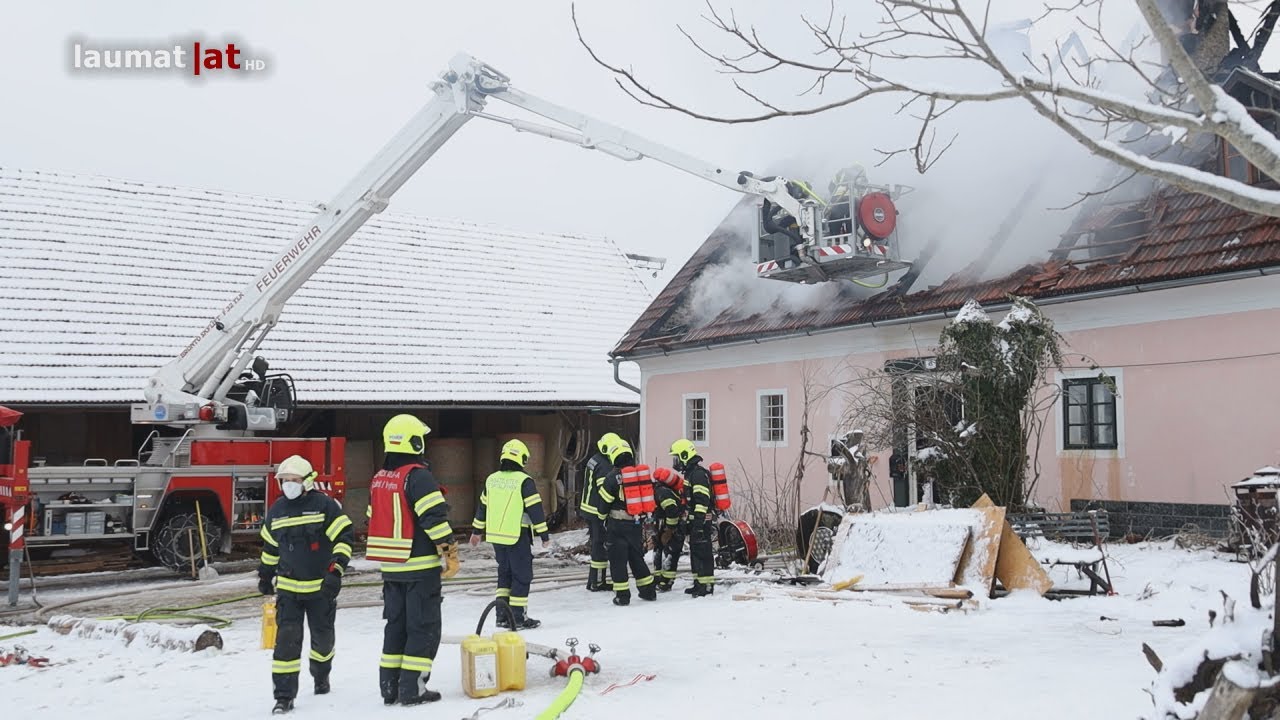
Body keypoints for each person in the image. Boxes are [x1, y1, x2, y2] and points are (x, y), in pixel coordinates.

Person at [365, 414, 459, 706]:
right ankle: (413, 689)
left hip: (391, 569)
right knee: (424, 628)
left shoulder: (380, 478)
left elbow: (372, 518)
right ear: (414, 441)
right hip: (419, 569)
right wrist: (449, 550)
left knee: (396, 627)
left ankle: (389, 687)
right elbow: (433, 519)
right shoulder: (418, 476)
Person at [257, 454, 354, 715]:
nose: (289, 485)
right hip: (289, 591)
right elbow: (270, 548)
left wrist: (336, 572)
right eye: (285, 480)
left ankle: (321, 676)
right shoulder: (276, 512)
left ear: (307, 481)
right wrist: (265, 575)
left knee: (322, 641)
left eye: (294, 480)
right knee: (286, 642)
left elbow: (345, 538)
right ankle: (284, 696)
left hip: (320, 589)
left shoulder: (324, 506)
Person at [469, 438, 550, 629]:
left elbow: (483, 507)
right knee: (522, 576)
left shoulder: (491, 479)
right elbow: (535, 509)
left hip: (497, 538)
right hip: (517, 537)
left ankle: (501, 616)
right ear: (521, 459)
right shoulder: (524, 481)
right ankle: (518, 618)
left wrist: (476, 531)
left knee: (504, 576)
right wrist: (544, 534)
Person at [597, 440, 657, 606]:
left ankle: (622, 596)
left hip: (617, 525)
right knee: (636, 558)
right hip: (635, 523)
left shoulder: (610, 478)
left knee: (618, 561)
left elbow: (603, 505)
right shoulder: (639, 476)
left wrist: (601, 521)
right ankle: (648, 591)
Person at [671, 438, 715, 597]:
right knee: (696, 553)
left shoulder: (698, 475)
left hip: (702, 521)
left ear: (684, 455)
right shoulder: (691, 474)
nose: (675, 462)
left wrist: (698, 524)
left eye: (677, 457)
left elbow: (702, 502)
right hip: (695, 520)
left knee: (703, 552)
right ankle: (698, 583)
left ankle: (707, 585)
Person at [580, 432, 621, 592]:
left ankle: (594, 580)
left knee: (597, 544)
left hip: (588, 509)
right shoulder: (604, 465)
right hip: (597, 512)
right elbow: (605, 491)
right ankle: (597, 582)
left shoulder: (595, 458)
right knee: (600, 546)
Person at [650, 467, 686, 592]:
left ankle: (666, 582)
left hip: (672, 526)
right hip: (662, 525)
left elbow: (672, 510)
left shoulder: (661, 492)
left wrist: (669, 531)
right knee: (659, 551)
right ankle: (658, 578)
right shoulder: (662, 491)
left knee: (671, 553)